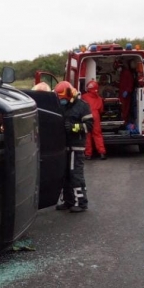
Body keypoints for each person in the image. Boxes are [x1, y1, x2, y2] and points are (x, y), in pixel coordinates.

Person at [54, 81, 94, 213]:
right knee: (65, 175)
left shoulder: (82, 106)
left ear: (70, 94)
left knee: (75, 175)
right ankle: (68, 201)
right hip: (64, 147)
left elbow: (89, 126)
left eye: (63, 98)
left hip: (76, 147)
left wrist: (73, 128)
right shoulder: (62, 106)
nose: (62, 101)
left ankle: (81, 203)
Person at [82, 80, 106, 160]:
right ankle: (102, 152)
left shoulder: (84, 96)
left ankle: (88, 154)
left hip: (87, 115)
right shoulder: (99, 98)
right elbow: (101, 110)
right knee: (97, 135)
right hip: (96, 115)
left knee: (87, 135)